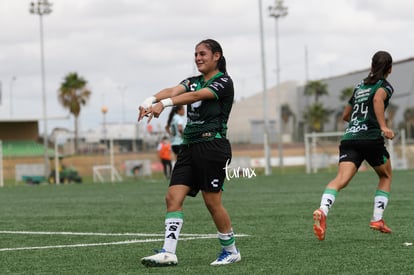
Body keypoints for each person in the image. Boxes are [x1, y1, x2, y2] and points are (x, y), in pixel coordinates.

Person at [138, 39, 240, 266]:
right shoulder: (192, 81)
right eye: (195, 54)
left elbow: (195, 97)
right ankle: (168, 252)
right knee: (172, 197)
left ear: (217, 56)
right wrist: (150, 99)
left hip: (212, 147)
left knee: (212, 202)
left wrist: (163, 105)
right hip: (189, 148)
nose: (198, 58)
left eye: (203, 53)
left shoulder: (223, 82)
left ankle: (231, 250)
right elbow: (174, 90)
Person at [313, 50, 395, 241]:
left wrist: (358, 122)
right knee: (386, 175)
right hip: (370, 138)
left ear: (371, 66)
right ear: (389, 69)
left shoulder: (360, 86)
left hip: (350, 138)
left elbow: (345, 116)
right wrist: (383, 126)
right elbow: (377, 99)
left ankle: (323, 210)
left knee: (340, 179)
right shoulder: (384, 86)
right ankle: (377, 219)